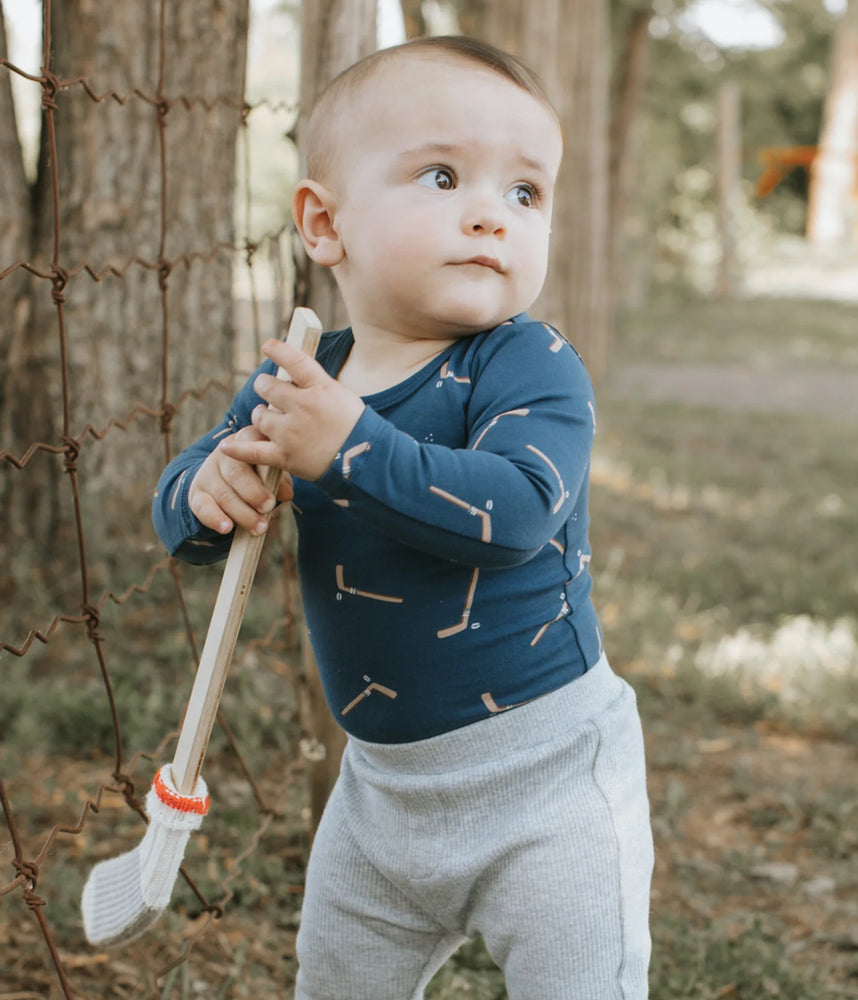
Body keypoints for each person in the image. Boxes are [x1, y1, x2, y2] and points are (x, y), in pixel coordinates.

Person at [152, 34, 653, 1000]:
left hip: (546, 780)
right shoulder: (303, 374)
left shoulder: (526, 362)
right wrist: (208, 489)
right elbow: (184, 520)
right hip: (382, 793)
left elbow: (517, 512)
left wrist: (347, 448)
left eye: (525, 193)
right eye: (441, 175)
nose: (489, 217)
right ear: (323, 222)